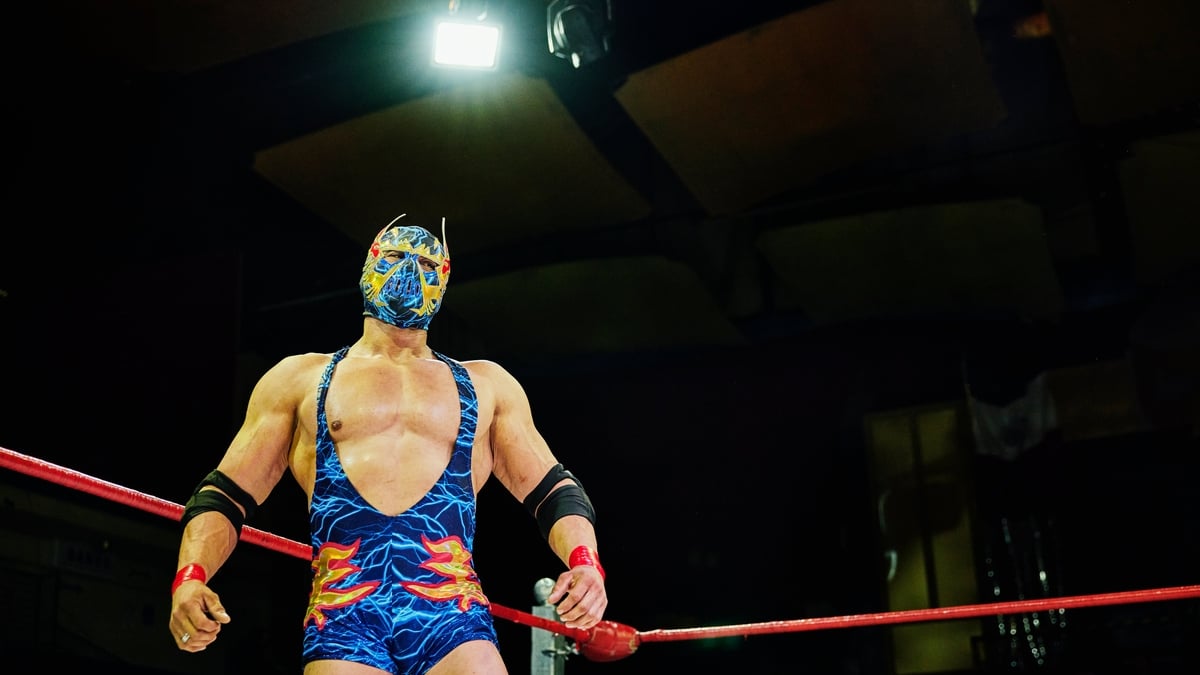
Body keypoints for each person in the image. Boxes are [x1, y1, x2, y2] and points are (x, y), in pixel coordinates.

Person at [168, 216, 607, 674]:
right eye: (397, 257)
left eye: (427, 265)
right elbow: (225, 493)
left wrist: (586, 563)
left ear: (445, 282)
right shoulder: (300, 380)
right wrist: (190, 578)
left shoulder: (486, 385)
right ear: (369, 266)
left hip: (449, 610)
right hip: (345, 610)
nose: (411, 272)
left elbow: (555, 491)